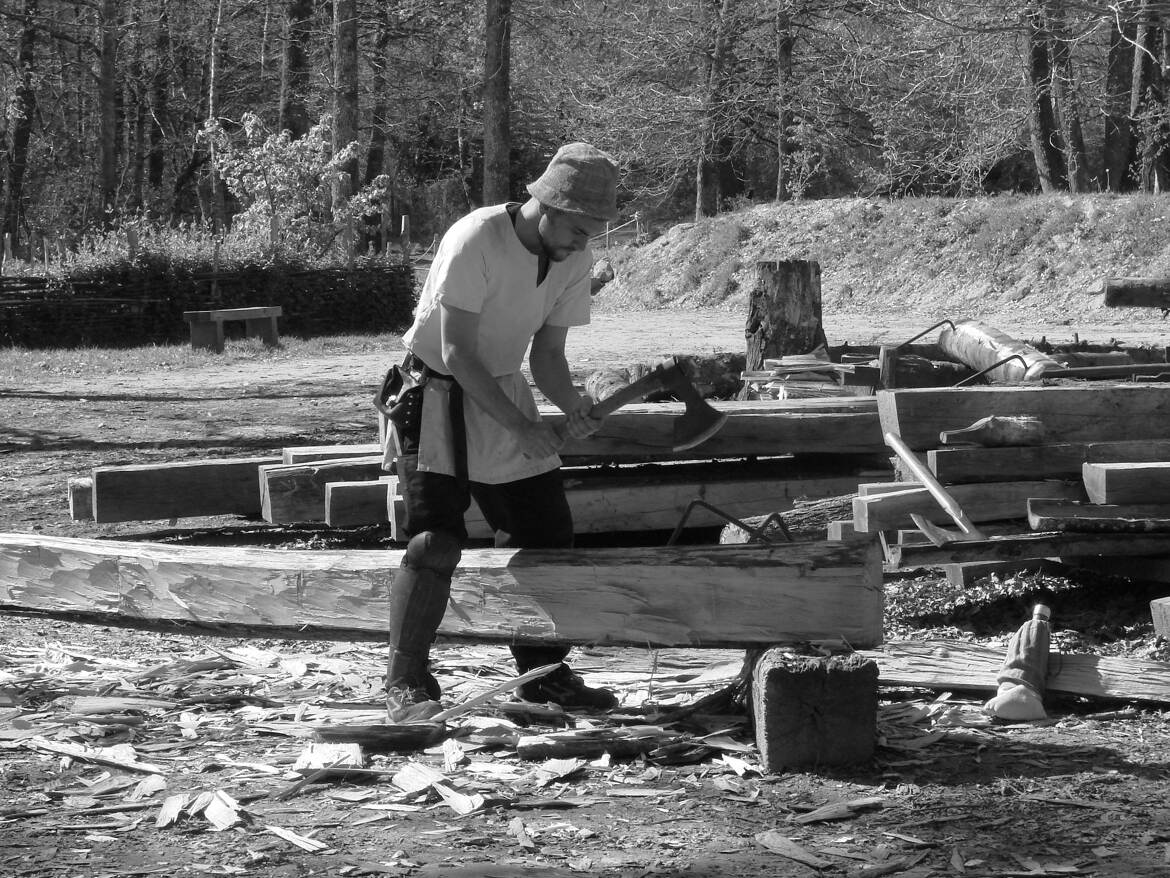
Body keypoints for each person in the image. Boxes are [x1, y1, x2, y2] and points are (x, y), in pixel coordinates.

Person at [380, 142, 621, 718]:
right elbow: (457, 352)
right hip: (435, 389)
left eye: (592, 233)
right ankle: (404, 680)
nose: (585, 244)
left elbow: (549, 357)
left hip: (503, 385)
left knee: (544, 528)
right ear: (547, 207)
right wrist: (523, 427)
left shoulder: (573, 258)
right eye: (580, 230)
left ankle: (544, 676)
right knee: (435, 539)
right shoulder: (475, 237)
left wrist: (572, 406)